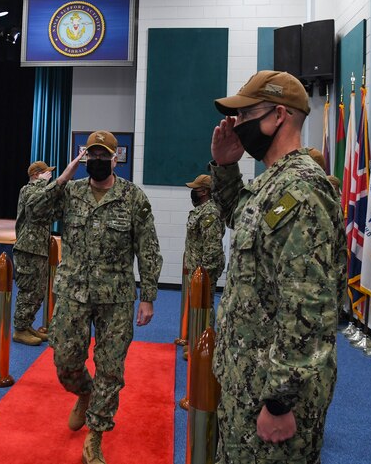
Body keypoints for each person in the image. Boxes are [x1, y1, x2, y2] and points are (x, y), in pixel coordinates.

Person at [209, 70, 347, 463]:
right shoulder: (274, 183)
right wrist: (224, 166)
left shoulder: (301, 190)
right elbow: (242, 219)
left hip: (273, 394)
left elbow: (309, 306)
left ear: (278, 116)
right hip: (248, 380)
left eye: (244, 115)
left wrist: (280, 402)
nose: (236, 124)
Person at [26, 130, 162, 464]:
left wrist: (148, 296)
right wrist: (65, 174)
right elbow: (34, 211)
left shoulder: (133, 198)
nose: (98, 161)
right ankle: (84, 393)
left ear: (116, 159)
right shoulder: (70, 192)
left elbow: (148, 248)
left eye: (105, 156)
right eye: (92, 155)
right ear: (86, 157)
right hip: (73, 291)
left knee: (111, 367)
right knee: (65, 359)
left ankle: (96, 434)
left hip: (115, 296)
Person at [12, 160, 56, 346]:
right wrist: (41, 183)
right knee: (29, 290)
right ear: (37, 175)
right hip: (27, 248)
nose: (50, 176)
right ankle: (20, 330)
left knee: (38, 291)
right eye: (46, 173)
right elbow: (32, 202)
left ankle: (27, 324)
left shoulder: (39, 191)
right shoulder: (28, 190)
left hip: (38, 248)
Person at [184, 174, 225, 303]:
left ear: (204, 192)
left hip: (203, 270)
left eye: (195, 189)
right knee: (196, 306)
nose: (192, 193)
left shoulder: (210, 213)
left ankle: (208, 325)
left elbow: (212, 247)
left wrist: (204, 275)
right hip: (196, 268)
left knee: (204, 307)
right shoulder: (202, 210)